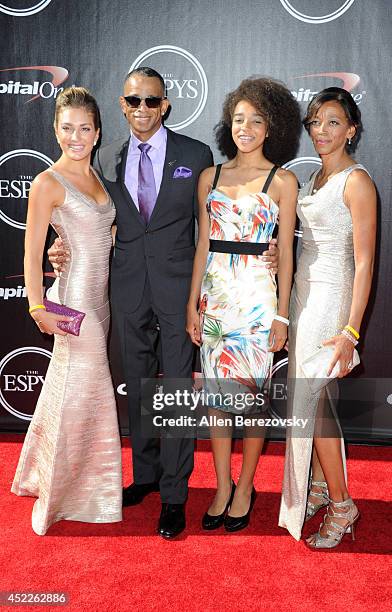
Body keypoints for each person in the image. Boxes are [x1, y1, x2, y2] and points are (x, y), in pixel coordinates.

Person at [49, 67, 279, 539]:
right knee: (136, 385)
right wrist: (62, 247)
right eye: (133, 101)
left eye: (151, 101)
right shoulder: (104, 158)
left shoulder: (196, 156)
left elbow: (218, 222)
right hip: (127, 287)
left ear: (165, 106)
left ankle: (174, 494)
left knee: (175, 389)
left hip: (181, 293)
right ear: (121, 104)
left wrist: (265, 250)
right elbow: (86, 216)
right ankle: (146, 474)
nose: (142, 110)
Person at [186, 77, 300, 532]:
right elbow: (202, 246)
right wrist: (193, 305)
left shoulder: (283, 181)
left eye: (255, 120)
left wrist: (281, 314)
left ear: (271, 126)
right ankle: (221, 485)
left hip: (256, 303)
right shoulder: (209, 177)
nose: (245, 128)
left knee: (251, 403)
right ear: (228, 125)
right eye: (238, 119)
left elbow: (287, 253)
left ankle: (247, 485)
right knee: (216, 401)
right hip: (215, 302)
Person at [11, 87, 123, 535]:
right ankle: (75, 495)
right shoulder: (47, 182)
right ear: (55, 129)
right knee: (90, 396)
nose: (75, 137)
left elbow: (100, 231)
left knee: (70, 392)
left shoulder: (98, 179)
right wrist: (38, 306)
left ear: (96, 132)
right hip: (73, 303)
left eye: (84, 128)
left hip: (101, 301)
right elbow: (31, 250)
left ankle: (43, 475)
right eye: (67, 128)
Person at [278, 87, 376, 548]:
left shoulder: (357, 182)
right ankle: (319, 484)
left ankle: (342, 505)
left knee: (310, 405)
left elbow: (364, 263)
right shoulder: (316, 176)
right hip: (303, 297)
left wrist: (350, 331)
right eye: (315, 121)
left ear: (351, 130)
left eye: (333, 122)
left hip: (331, 302)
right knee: (321, 402)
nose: (321, 130)